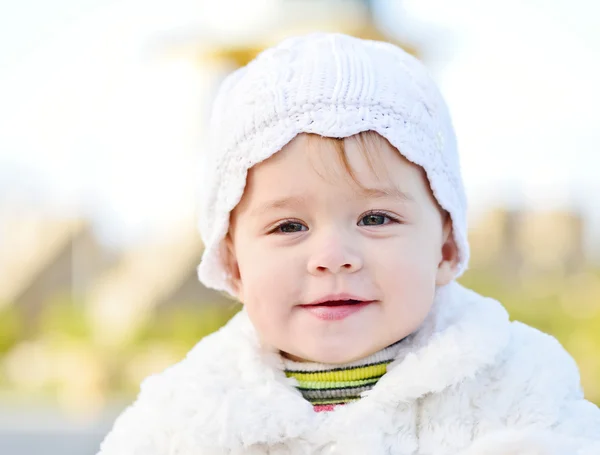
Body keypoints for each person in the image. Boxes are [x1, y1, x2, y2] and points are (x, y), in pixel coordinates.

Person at [97, 33, 600, 454]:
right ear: (232, 264)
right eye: (289, 227)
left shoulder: (511, 383)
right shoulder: (186, 417)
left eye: (376, 217)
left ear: (445, 248)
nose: (333, 256)